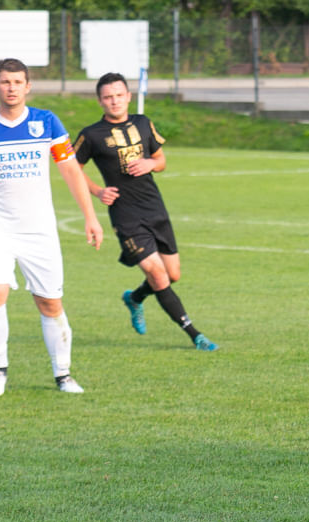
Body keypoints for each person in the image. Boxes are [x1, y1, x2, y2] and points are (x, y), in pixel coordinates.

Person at [0, 58, 104, 397]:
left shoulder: (47, 122)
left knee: (49, 303)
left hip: (39, 229)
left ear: (28, 86)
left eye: (17, 82)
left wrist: (90, 216)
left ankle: (63, 374)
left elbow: (70, 170)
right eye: (5, 82)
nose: (11, 88)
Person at [74, 72, 218, 352]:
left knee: (172, 274)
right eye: (107, 97)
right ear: (99, 101)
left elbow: (161, 159)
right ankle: (195, 335)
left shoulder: (143, 123)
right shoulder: (90, 135)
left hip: (155, 207)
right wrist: (98, 191)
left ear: (128, 96)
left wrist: (150, 165)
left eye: (118, 95)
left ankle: (135, 297)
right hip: (125, 215)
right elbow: (71, 169)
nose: (114, 101)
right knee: (158, 274)